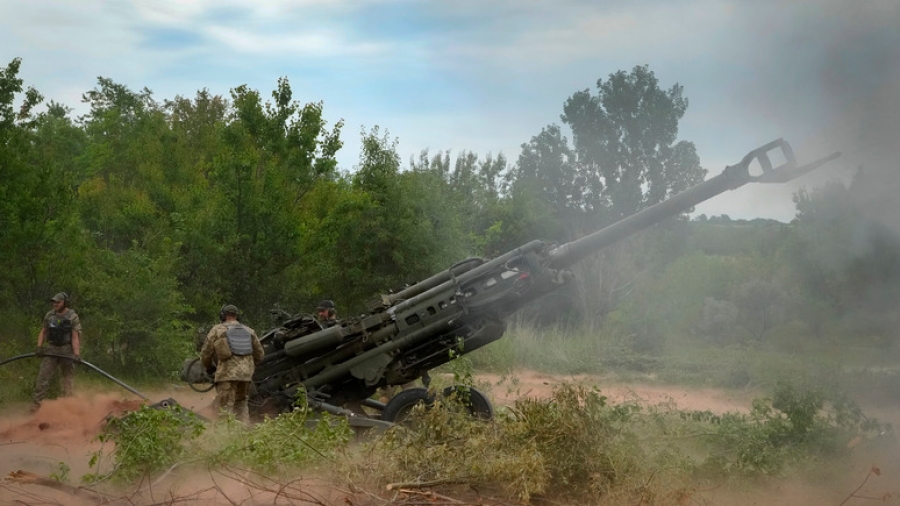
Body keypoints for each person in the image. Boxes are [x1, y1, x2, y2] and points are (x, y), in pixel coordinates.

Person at [200, 304, 264, 423]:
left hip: (226, 375)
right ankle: (243, 435)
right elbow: (260, 355)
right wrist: (248, 366)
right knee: (241, 406)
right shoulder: (249, 331)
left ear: (223, 315)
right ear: (237, 316)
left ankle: (224, 437)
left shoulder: (217, 330)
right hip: (245, 376)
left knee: (224, 407)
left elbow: (206, 353)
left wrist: (209, 368)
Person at [32, 292, 82, 411]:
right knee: (43, 378)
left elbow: (75, 337)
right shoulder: (49, 315)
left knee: (67, 380)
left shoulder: (72, 316)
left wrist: (76, 354)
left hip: (66, 350)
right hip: (51, 349)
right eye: (54, 302)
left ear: (65, 302)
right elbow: (43, 332)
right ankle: (36, 406)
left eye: (58, 302)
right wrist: (39, 347)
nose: (55, 304)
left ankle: (68, 407)